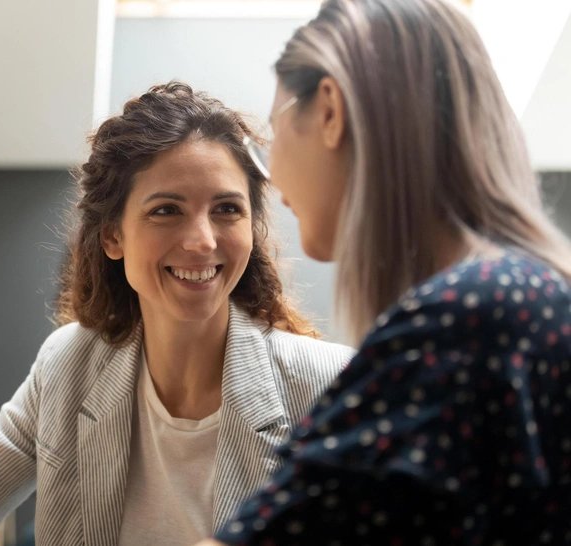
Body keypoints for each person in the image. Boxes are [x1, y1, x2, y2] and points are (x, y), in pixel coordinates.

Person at [0, 82, 354, 546]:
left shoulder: (331, 387)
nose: (204, 240)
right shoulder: (69, 366)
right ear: (112, 237)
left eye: (227, 209)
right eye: (167, 210)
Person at [197, 0, 571, 544]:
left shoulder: (465, 320)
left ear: (329, 110)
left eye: (274, 137)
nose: (272, 177)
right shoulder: (526, 297)